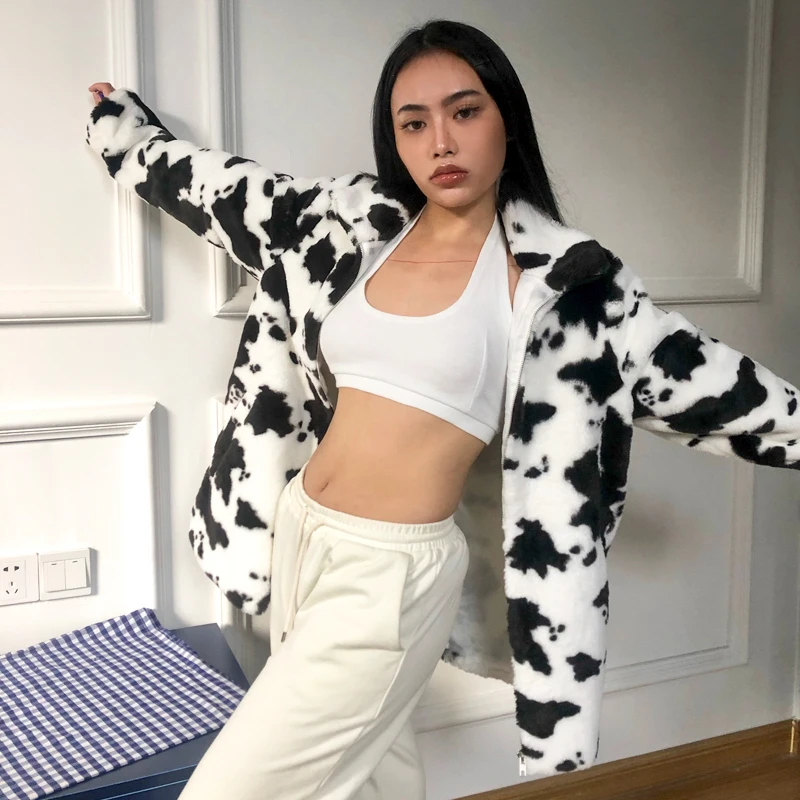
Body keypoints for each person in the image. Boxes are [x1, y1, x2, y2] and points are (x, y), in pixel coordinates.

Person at [85, 17, 800, 799]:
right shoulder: (349, 226)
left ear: (506, 119)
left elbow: (720, 387)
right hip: (300, 531)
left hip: (391, 575)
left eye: (465, 111)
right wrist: (127, 134)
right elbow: (221, 193)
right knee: (370, 778)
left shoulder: (564, 286)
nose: (441, 143)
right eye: (414, 123)